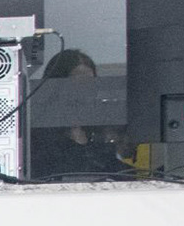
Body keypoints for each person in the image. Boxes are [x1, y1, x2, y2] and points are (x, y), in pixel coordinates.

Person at [30, 49, 130, 179]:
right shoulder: (38, 130)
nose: (85, 91)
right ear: (57, 87)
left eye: (90, 83)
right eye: (78, 83)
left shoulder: (97, 127)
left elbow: (110, 169)